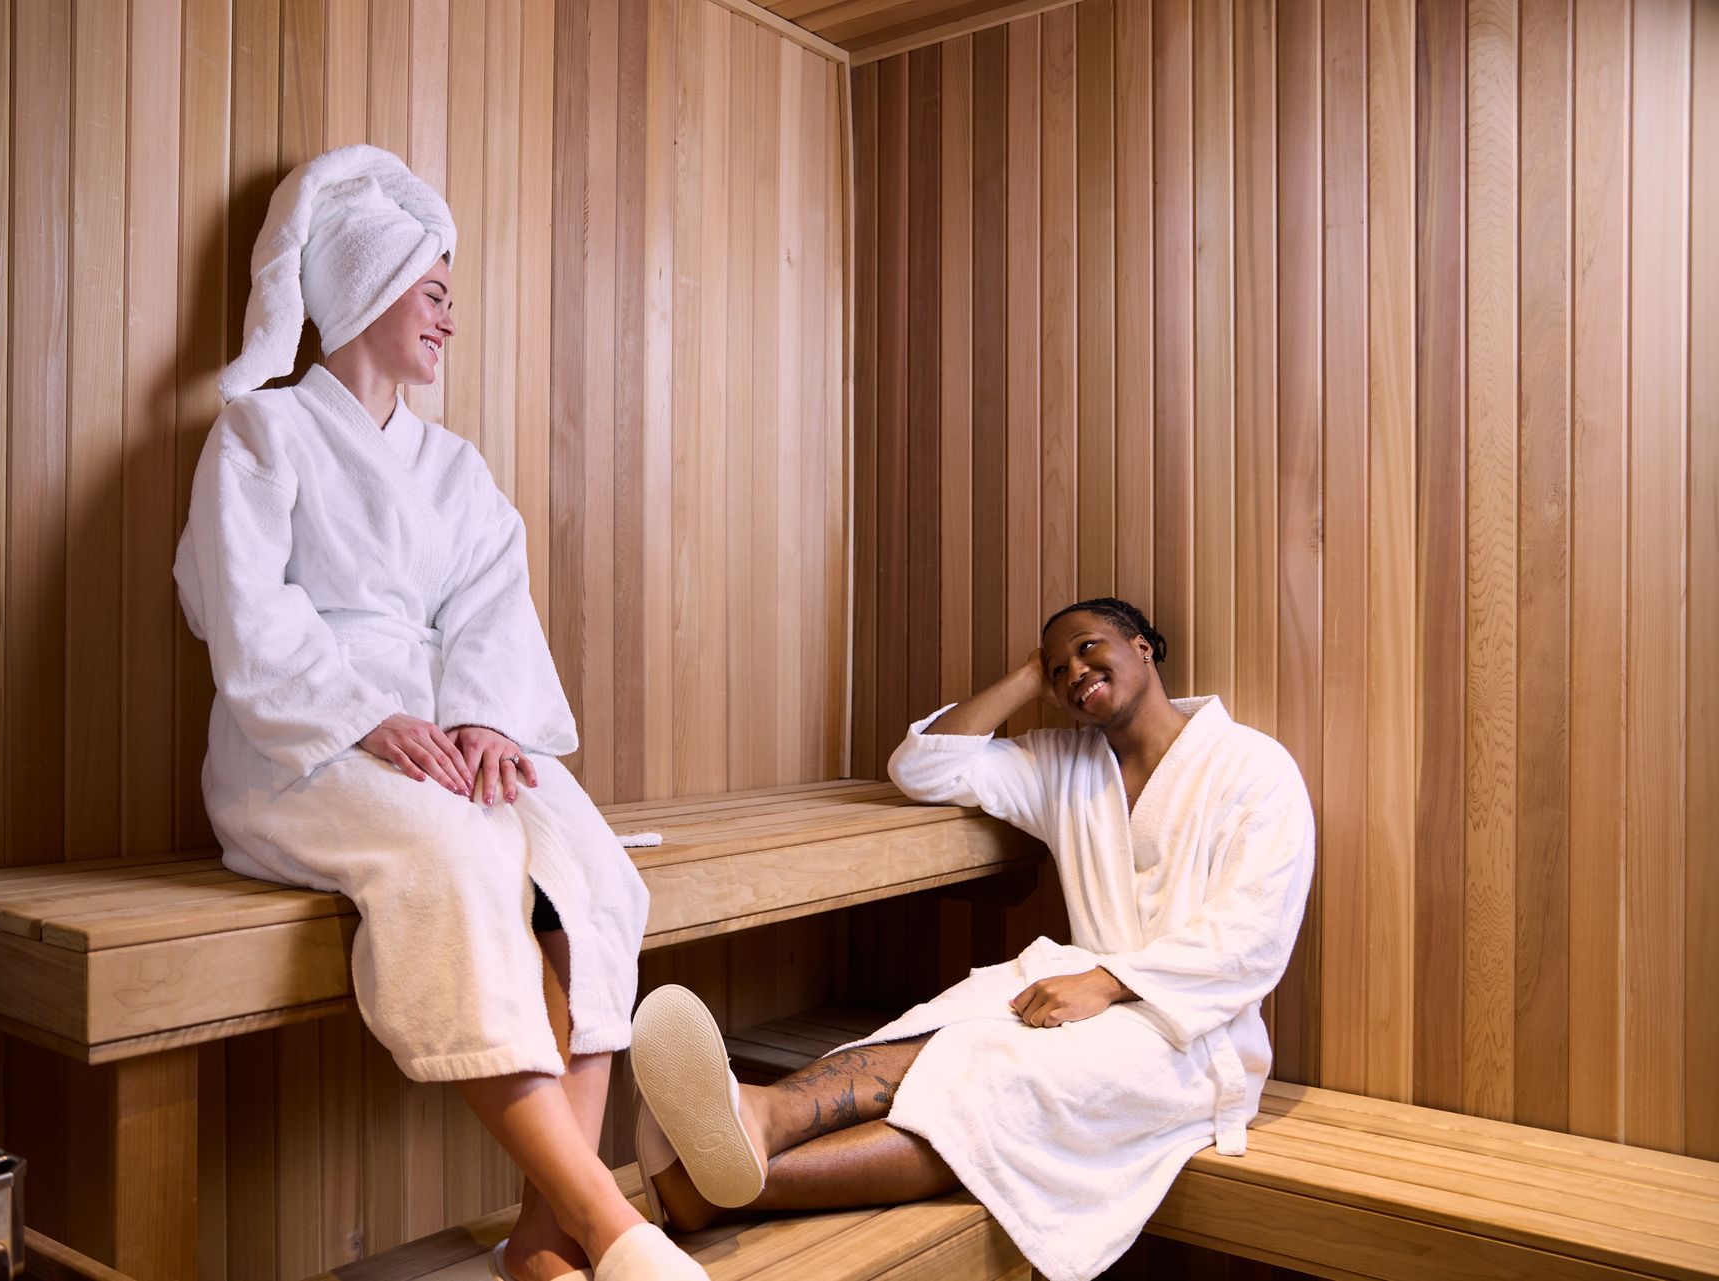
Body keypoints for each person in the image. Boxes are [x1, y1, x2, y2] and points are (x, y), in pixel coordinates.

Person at [175, 145, 702, 1281]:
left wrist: (488, 722)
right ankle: (610, 1225)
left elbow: (489, 612)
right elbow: (244, 610)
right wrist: (368, 717)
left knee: (592, 873)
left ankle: (541, 1237)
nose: (449, 319)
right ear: (365, 286)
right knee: (464, 854)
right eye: (433, 292)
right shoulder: (261, 432)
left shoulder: (455, 468)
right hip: (301, 743)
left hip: (444, 734)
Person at [629, 598, 1315, 1281]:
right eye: (1057, 669)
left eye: (1087, 647)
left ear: (1143, 646)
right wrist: (1028, 677)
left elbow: (1253, 934)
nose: (1074, 672)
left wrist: (1108, 982)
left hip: (1194, 1037)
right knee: (945, 1024)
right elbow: (923, 768)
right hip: (1078, 990)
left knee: (995, 1080)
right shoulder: (1064, 762)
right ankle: (763, 1111)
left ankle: (720, 1192)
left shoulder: (1253, 767)